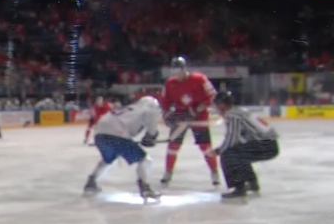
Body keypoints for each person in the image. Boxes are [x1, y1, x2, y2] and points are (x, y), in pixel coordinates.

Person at [82, 96, 162, 200]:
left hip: (100, 134)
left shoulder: (128, 108)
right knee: (144, 160)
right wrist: (151, 137)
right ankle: (145, 188)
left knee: (108, 159)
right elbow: (152, 130)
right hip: (118, 135)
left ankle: (91, 182)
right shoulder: (149, 110)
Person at [205, 90, 279, 199]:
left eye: (216, 105)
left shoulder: (232, 115)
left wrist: (216, 151)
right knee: (239, 152)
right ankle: (252, 183)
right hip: (269, 145)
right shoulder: (239, 111)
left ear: (222, 105)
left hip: (266, 146)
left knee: (228, 154)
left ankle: (239, 187)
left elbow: (231, 140)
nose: (215, 109)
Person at [160, 57, 220, 186]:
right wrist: (166, 114)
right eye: (174, 71)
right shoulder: (169, 83)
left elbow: (212, 95)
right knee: (173, 146)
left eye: (178, 71)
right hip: (180, 116)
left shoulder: (199, 79)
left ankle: (214, 172)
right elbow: (165, 101)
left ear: (184, 69)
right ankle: (168, 171)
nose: (176, 75)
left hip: (199, 117)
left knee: (205, 146)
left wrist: (198, 108)